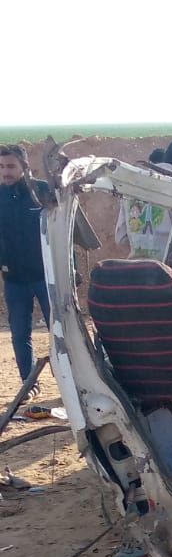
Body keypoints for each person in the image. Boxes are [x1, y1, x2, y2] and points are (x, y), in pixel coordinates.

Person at [0, 144, 52, 392]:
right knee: (20, 334)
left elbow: (63, 229)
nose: (5, 172)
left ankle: (72, 379)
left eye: (11, 166)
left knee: (60, 331)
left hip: (46, 277)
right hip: (14, 279)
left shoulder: (42, 191)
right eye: (1, 167)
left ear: (24, 167)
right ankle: (29, 384)